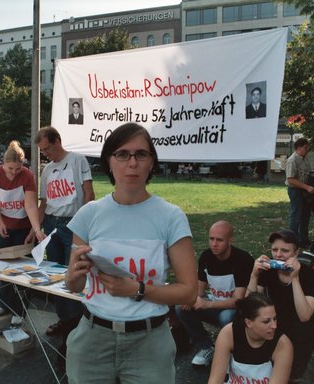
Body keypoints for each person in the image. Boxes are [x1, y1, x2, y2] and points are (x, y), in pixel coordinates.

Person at [65, 122, 198, 383]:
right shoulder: (88, 214)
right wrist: (72, 276)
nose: (132, 163)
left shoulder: (171, 217)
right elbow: (76, 285)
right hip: (92, 337)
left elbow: (189, 291)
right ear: (109, 161)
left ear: (151, 163)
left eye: (141, 154)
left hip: (149, 341)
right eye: (122, 154)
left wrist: (137, 290)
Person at [35, 126, 95, 337]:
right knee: (56, 273)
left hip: (73, 224)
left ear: (58, 141)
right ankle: (64, 319)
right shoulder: (47, 169)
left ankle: (79, 324)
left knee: (75, 272)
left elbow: (89, 194)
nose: (46, 153)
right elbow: (44, 202)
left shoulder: (78, 160)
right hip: (52, 224)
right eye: (43, 151)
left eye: (48, 148)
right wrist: (36, 227)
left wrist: (84, 224)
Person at [175, 220, 254, 367]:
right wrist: (190, 299)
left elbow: (239, 300)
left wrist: (207, 304)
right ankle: (206, 347)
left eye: (219, 240)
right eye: (211, 239)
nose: (214, 244)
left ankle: (231, 354)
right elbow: (198, 289)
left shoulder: (242, 260)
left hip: (239, 311)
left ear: (230, 241)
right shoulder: (206, 257)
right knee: (181, 308)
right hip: (216, 306)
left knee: (226, 316)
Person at [246, 229, 314, 383]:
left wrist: (295, 278)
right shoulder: (269, 271)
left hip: (300, 327)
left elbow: (305, 315)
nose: (278, 255)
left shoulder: (310, 275)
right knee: (247, 322)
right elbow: (249, 306)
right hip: (276, 321)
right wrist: (254, 275)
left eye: (285, 251)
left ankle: (294, 376)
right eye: (274, 250)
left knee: (301, 333)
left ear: (296, 252)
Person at [0, 140, 46, 325]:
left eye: (18, 169)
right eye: (10, 168)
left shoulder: (27, 175)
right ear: (3, 164)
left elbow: (30, 205)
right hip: (4, 225)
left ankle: (19, 310)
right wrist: (0, 223)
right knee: (4, 266)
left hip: (23, 227)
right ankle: (4, 302)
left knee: (23, 268)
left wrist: (35, 229)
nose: (13, 173)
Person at [208, 293, 293, 384]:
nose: (274, 326)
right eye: (266, 321)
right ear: (248, 323)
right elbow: (215, 380)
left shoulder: (282, 344)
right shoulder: (229, 333)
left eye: (275, 318)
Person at [285, 137, 314, 248]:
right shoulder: (292, 160)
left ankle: (303, 240)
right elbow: (291, 179)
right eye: (305, 147)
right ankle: (292, 241)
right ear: (298, 148)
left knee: (305, 215)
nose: (307, 149)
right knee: (296, 215)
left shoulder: (304, 158)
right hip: (295, 190)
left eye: (307, 147)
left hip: (304, 191)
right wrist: (307, 187)